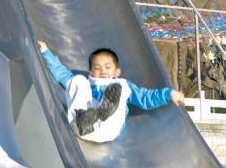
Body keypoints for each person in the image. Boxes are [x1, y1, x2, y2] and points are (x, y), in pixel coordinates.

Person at [39, 41, 185, 142]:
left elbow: (145, 98)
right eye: (97, 68)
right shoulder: (87, 84)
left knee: (120, 87)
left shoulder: (120, 85)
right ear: (91, 73)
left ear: (117, 71)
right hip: (82, 128)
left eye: (107, 67)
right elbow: (62, 73)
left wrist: (169, 94)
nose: (102, 71)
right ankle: (83, 117)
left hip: (108, 128)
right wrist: (45, 52)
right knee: (76, 80)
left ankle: (102, 112)